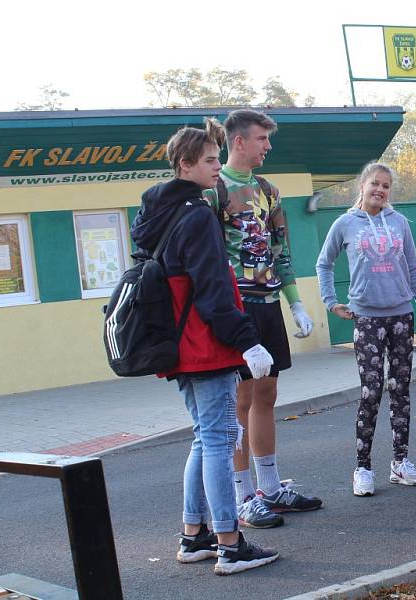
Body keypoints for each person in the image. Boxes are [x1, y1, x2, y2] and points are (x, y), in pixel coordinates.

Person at [130, 119, 279, 575]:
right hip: (205, 343)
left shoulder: (156, 214)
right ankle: (230, 544)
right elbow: (214, 289)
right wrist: (248, 340)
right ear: (185, 164)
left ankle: (194, 536)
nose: (218, 168)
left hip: (177, 345)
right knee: (218, 439)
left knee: (203, 437)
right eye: (210, 160)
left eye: (218, 158)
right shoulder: (195, 214)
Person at [205, 109, 321, 528]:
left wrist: (296, 303)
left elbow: (280, 251)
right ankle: (241, 497)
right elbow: (207, 256)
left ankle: (270, 489)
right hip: (234, 307)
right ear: (238, 141)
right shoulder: (213, 189)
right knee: (239, 401)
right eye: (261, 139)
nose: (267, 147)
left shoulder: (269, 190)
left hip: (268, 301)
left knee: (267, 396)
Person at [316, 162, 416, 497]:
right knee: (371, 390)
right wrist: (331, 301)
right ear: (362, 185)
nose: (380, 190)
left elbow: (414, 269)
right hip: (366, 318)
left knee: (401, 389)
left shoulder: (400, 223)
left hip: (402, 315)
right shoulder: (345, 223)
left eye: (386, 186)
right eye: (375, 183)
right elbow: (324, 263)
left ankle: (400, 463)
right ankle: (363, 467)